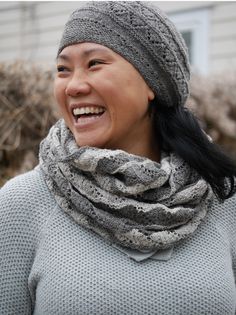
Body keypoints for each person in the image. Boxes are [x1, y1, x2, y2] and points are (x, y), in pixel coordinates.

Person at [1, 2, 236, 314]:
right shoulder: (22, 205)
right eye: (62, 69)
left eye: (95, 63)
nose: (73, 86)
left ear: (152, 81)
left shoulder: (223, 198)